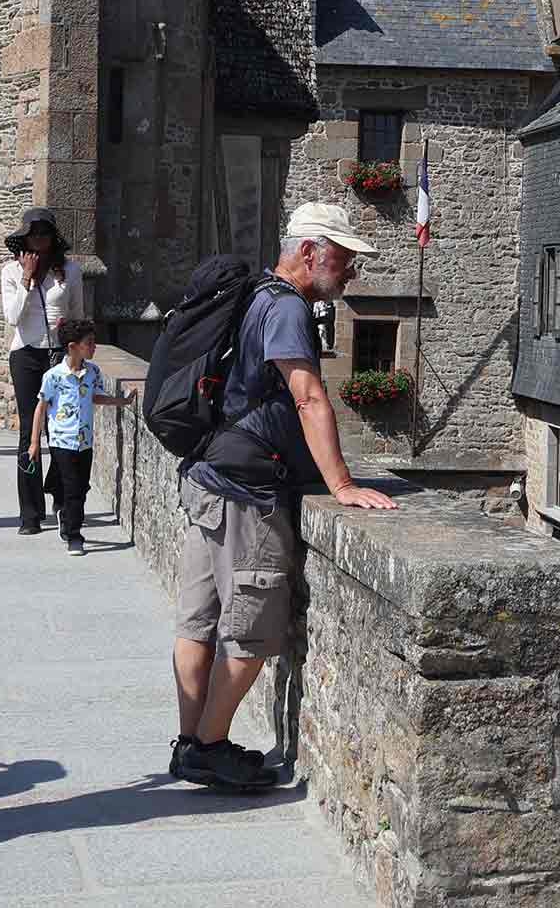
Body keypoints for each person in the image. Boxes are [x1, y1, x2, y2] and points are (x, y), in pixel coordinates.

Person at [169, 203, 397, 792]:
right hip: (247, 492)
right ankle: (209, 746)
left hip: (210, 476)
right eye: (342, 257)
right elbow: (309, 397)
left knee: (198, 622)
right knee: (248, 628)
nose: (350, 271)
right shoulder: (288, 307)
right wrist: (342, 485)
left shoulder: (253, 295)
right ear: (308, 251)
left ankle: (191, 741)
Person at [0, 207, 85, 536]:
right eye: (34, 235)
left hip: (60, 356)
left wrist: (75, 345)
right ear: (24, 240)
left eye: (45, 234)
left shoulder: (70, 271)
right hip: (26, 355)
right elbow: (13, 317)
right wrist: (26, 277)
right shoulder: (10, 272)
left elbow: (78, 314)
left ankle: (60, 497)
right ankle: (29, 513)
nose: (39, 240)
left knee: (62, 432)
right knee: (28, 433)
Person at [28, 319, 126, 553]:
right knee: (73, 488)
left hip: (85, 441)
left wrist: (121, 401)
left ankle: (63, 511)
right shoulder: (54, 376)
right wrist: (34, 443)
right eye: (89, 343)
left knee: (81, 487)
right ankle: (74, 535)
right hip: (62, 441)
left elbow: (96, 397)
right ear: (73, 347)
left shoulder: (93, 372)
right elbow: (41, 407)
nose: (94, 347)